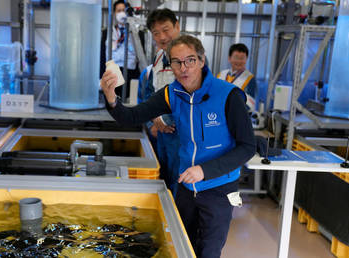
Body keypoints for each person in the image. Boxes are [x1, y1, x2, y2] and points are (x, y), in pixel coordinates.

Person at [101, 35, 256, 258]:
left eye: (190, 60)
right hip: (185, 187)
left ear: (202, 61)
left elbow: (247, 147)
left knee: (209, 251)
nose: (183, 68)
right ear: (170, 65)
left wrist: (205, 171)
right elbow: (132, 116)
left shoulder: (228, 95)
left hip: (219, 189)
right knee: (182, 246)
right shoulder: (171, 93)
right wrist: (111, 99)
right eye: (176, 62)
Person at [137, 8, 180, 196]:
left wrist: (166, 120)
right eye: (156, 33)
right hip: (159, 136)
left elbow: (198, 98)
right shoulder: (157, 61)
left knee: (181, 188)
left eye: (166, 29)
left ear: (177, 27)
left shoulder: (194, 57)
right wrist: (152, 122)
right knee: (162, 184)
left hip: (183, 136)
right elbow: (148, 98)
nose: (162, 37)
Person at [105, 0, 139, 99]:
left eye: (123, 10)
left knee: (128, 97)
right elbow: (110, 51)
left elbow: (135, 53)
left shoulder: (135, 31)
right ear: (114, 13)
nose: (121, 13)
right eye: (118, 11)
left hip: (130, 69)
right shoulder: (110, 31)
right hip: (114, 69)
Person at [217, 43, 257, 110]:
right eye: (236, 57)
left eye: (242, 58)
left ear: (246, 59)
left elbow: (250, 103)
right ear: (229, 58)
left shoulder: (250, 78)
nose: (239, 61)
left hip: (237, 114)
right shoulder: (221, 74)